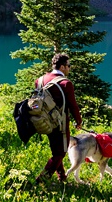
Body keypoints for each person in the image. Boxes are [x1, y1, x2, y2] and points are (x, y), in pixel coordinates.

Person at [35, 52, 82, 183]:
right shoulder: (66, 83)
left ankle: (62, 177)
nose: (69, 68)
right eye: (69, 65)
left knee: (56, 150)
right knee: (60, 152)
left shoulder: (39, 80)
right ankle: (41, 181)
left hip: (43, 121)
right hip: (60, 123)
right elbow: (73, 105)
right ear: (62, 67)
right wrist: (79, 121)